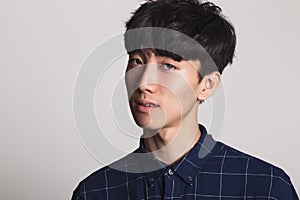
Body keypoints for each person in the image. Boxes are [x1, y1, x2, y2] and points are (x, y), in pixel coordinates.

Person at [72, 0, 299, 199]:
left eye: (168, 66)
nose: (144, 83)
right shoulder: (96, 191)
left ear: (206, 85)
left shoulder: (266, 188)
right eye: (137, 61)